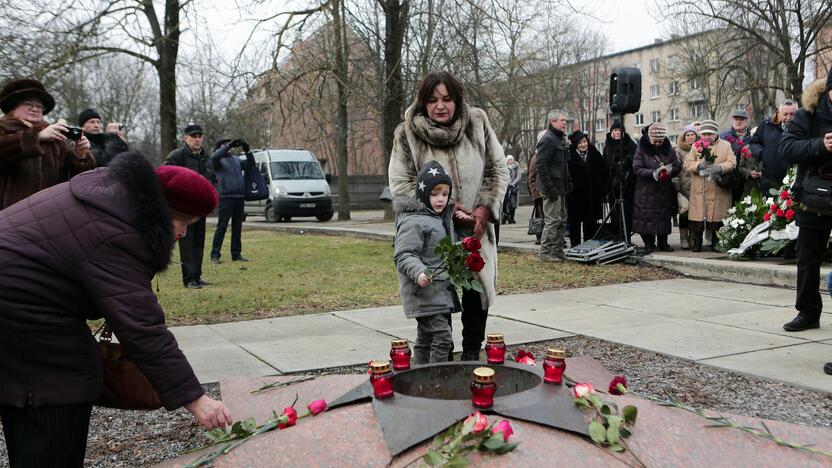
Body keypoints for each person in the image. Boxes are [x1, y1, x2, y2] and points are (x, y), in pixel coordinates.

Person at [0, 152, 232, 467]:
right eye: (183, 221)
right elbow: (142, 327)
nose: (183, 234)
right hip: (22, 306)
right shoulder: (120, 233)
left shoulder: (112, 196)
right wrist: (196, 400)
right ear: (162, 211)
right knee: (59, 389)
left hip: (18, 299)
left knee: (33, 393)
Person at [389, 71, 508, 361]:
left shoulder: (478, 123)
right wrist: (446, 210)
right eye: (432, 100)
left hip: (476, 231)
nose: (440, 106)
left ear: (457, 100)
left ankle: (470, 355)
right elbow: (401, 185)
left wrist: (482, 210)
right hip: (431, 233)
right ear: (422, 102)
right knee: (436, 299)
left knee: (476, 293)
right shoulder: (406, 133)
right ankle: (437, 358)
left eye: (447, 99)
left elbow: (497, 169)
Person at [779, 75, 832, 343]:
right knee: (808, 258)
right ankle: (808, 312)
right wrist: (821, 144)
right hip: (814, 195)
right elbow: (786, 148)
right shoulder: (807, 114)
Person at [393, 161, 458, 363]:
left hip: (437, 291)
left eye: (445, 194)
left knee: (425, 337)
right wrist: (419, 272)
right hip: (423, 291)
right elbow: (403, 255)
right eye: (434, 193)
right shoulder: (414, 221)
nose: (440, 199)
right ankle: (438, 374)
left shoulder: (437, 218)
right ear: (423, 193)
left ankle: (419, 373)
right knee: (442, 336)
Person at [0, 78, 95, 209]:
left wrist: (79, 155)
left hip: (46, 213)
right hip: (8, 212)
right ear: (12, 106)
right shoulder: (2, 128)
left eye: (39, 106)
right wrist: (36, 137)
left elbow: (68, 178)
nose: (35, 109)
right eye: (28, 104)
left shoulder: (54, 136)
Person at [165, 124, 215, 289]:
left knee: (199, 242)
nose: (197, 139)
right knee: (187, 243)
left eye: (200, 136)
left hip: (200, 208)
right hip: (183, 209)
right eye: (194, 136)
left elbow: (212, 178)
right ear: (185, 138)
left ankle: (197, 276)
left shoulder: (206, 157)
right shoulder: (177, 156)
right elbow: (167, 176)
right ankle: (188, 279)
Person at [684, 119, 736, 252]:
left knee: (717, 218)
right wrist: (699, 166)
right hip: (700, 187)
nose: (707, 137)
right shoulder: (696, 146)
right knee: (698, 218)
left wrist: (719, 167)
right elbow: (687, 164)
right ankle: (697, 242)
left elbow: (732, 163)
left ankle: (716, 242)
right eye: (704, 134)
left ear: (715, 133)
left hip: (718, 187)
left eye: (710, 134)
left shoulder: (726, 145)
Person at [632, 122, 681, 253]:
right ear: (649, 138)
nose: (658, 144)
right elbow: (637, 168)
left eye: (660, 141)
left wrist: (669, 171)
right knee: (646, 217)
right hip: (646, 191)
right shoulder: (641, 149)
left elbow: (677, 166)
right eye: (655, 141)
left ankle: (663, 242)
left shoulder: (669, 149)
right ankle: (649, 243)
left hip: (664, 190)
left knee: (663, 216)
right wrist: (653, 173)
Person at [210, 137, 256, 264]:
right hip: (225, 197)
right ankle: (215, 254)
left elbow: (251, 165)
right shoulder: (217, 161)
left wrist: (247, 151)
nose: (228, 147)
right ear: (219, 147)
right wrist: (228, 146)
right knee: (222, 227)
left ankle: (236, 254)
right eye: (224, 145)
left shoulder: (236, 160)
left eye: (228, 145)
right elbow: (214, 157)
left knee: (237, 227)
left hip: (239, 197)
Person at [536, 109, 572, 261]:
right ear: (552, 122)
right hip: (552, 188)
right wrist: (549, 187)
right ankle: (545, 253)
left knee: (562, 220)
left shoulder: (559, 139)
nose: (564, 123)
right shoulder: (548, 139)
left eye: (565, 120)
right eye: (561, 120)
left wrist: (568, 181)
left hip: (560, 187)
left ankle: (557, 251)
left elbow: (563, 165)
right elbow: (541, 165)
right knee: (552, 221)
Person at [748, 99, 798, 196]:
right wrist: (763, 154)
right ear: (779, 113)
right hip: (770, 179)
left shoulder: (802, 127)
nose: (789, 117)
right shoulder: (767, 125)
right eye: (785, 114)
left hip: (794, 178)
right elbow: (754, 142)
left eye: (792, 114)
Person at [566, 130, 608, 246]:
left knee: (590, 223)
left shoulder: (594, 153)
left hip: (592, 196)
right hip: (575, 196)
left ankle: (588, 246)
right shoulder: (569, 156)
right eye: (580, 143)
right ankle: (575, 246)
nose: (583, 145)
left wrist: (601, 188)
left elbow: (604, 171)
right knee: (575, 223)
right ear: (575, 145)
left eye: (584, 142)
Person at [602, 119, 637, 242]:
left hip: (627, 185)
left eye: (619, 130)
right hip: (613, 186)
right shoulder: (607, 146)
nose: (617, 133)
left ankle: (626, 237)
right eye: (615, 130)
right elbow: (605, 165)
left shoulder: (630, 144)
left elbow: (634, 157)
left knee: (627, 213)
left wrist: (625, 161)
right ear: (612, 132)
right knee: (615, 213)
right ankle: (617, 237)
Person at [674, 125, 698, 249]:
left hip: (698, 187)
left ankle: (693, 238)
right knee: (684, 214)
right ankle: (684, 239)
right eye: (687, 135)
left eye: (692, 134)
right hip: (684, 187)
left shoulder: (700, 148)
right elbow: (676, 170)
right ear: (683, 137)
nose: (690, 137)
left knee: (696, 216)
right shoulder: (678, 151)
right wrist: (677, 188)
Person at [720, 109, 753, 202]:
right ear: (732, 120)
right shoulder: (723, 137)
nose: (738, 122)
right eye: (736, 119)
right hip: (729, 178)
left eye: (741, 119)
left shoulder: (753, 137)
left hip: (748, 178)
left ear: (747, 121)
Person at [527, 132, 545, 245]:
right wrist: (535, 195)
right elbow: (531, 179)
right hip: (539, 194)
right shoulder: (536, 158)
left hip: (545, 193)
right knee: (540, 217)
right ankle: (540, 237)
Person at [502, 155, 522, 224]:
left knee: (513, 203)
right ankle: (505, 216)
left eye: (511, 159)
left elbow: (519, 176)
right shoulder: (504, 167)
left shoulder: (516, 167)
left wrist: (512, 184)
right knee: (505, 203)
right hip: (506, 188)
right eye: (509, 160)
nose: (510, 161)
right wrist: (507, 183)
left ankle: (511, 218)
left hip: (514, 188)